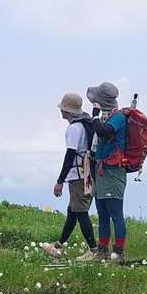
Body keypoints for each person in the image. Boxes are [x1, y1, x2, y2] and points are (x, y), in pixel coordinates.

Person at [39, 92, 96, 260]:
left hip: (77, 175)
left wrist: (60, 181)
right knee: (73, 211)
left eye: (62, 108)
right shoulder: (85, 124)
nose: (61, 110)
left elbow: (70, 155)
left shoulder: (74, 129)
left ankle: (94, 250)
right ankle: (58, 246)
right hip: (87, 174)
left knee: (81, 212)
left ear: (67, 110)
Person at [85, 81, 130, 261]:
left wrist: (95, 117)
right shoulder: (108, 116)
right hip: (102, 171)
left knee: (115, 213)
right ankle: (103, 251)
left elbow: (106, 132)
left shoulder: (118, 118)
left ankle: (118, 252)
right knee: (103, 213)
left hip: (113, 172)